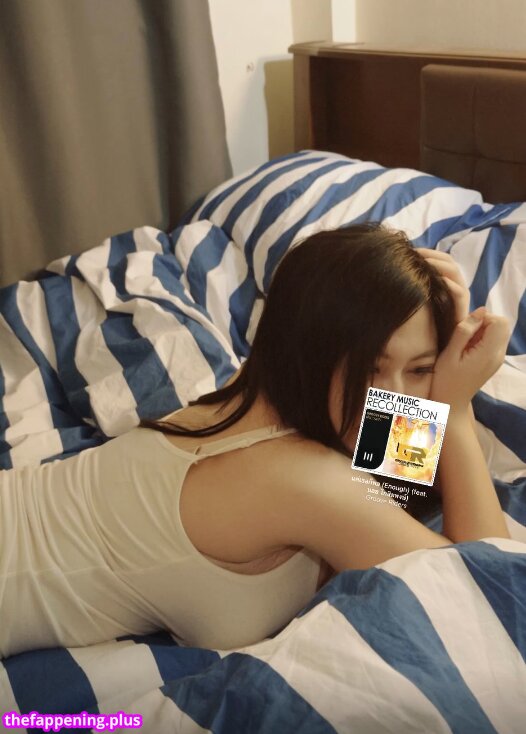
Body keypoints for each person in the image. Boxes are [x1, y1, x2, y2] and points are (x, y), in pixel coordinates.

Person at [1, 223, 511, 657]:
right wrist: (455, 410)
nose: (394, 402)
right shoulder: (304, 478)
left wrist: (433, 333)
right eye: (369, 368)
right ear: (309, 350)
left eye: (421, 369)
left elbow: (396, 492)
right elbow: (492, 593)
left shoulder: (263, 387)